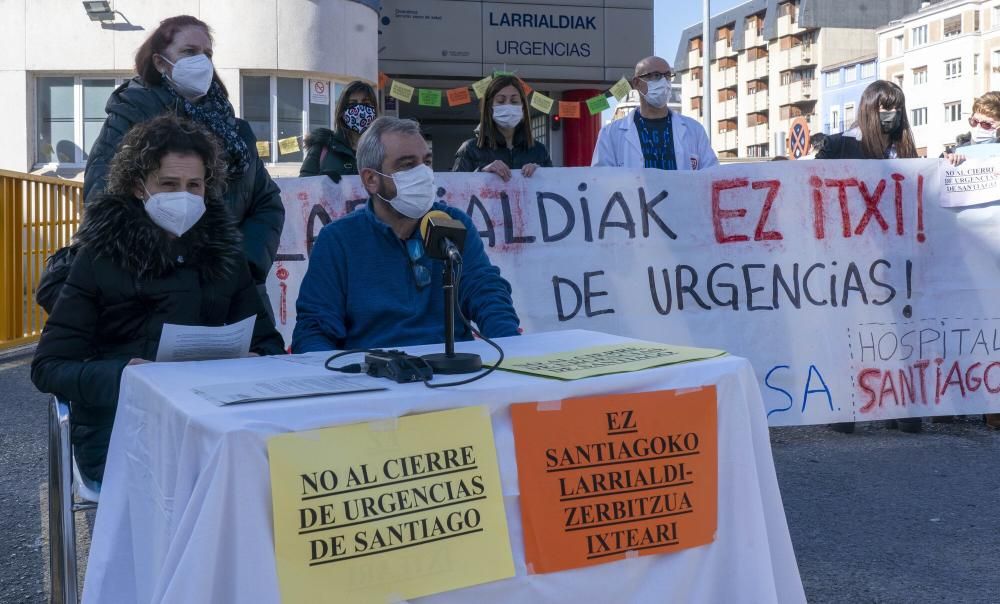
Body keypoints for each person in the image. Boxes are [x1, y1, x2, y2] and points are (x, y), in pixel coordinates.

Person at [32, 115, 286, 484]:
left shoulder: (225, 254)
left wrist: (256, 360)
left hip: (216, 424)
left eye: (194, 185)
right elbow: (49, 366)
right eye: (168, 184)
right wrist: (126, 375)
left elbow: (268, 343)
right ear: (139, 187)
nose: (182, 195)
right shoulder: (100, 255)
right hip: (122, 428)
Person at [83, 15, 284, 305]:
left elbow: (267, 204)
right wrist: (168, 266)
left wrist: (239, 264)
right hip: (152, 294)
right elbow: (102, 199)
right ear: (161, 63)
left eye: (207, 54)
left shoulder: (235, 131)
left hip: (233, 291)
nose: (202, 62)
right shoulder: (130, 117)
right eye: (189, 52)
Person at [293, 117, 521, 352]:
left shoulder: (454, 224)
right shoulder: (337, 241)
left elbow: (487, 293)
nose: (422, 173)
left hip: (452, 373)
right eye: (407, 165)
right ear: (371, 180)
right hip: (375, 377)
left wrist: (513, 350)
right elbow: (314, 330)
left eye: (426, 162)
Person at [816, 80, 921, 434]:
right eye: (883, 107)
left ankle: (899, 404)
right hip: (847, 259)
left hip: (895, 259)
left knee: (896, 330)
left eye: (896, 107)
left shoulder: (905, 151)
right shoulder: (839, 146)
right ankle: (846, 406)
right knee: (852, 330)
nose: (889, 115)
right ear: (868, 109)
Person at [592, 56, 717, 171]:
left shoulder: (694, 130)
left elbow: (712, 175)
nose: (663, 82)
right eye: (656, 75)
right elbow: (600, 181)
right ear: (636, 83)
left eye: (668, 76)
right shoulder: (611, 134)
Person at [452, 75, 552, 180]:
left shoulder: (539, 151)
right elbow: (452, 190)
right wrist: (482, 172)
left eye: (514, 102)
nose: (508, 106)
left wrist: (542, 174)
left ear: (523, 107)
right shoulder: (470, 149)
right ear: (489, 107)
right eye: (500, 101)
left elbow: (555, 187)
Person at [816, 80, 917, 161]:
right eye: (887, 108)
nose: (894, 113)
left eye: (898, 108)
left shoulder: (905, 150)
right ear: (869, 109)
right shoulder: (837, 145)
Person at [300, 80, 379, 181]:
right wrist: (321, 181)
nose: (359, 109)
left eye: (366, 103)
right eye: (352, 104)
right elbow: (303, 189)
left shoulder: (384, 149)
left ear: (374, 109)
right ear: (342, 111)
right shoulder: (322, 146)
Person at [945, 91, 1000, 166]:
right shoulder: (954, 151)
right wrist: (947, 162)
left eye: (986, 124)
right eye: (974, 121)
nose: (978, 127)